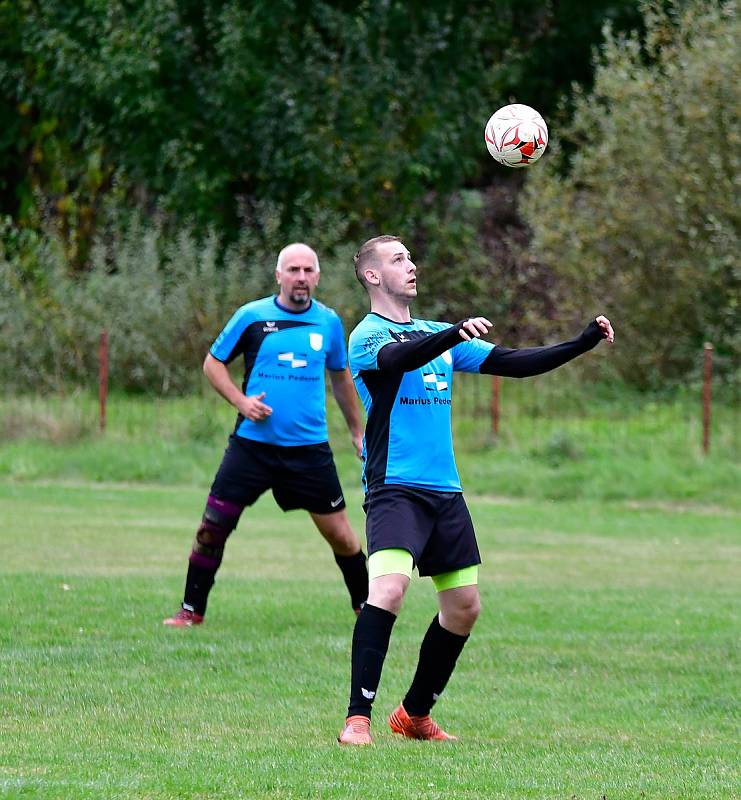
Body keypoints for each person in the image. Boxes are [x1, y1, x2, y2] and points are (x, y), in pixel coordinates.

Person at [337, 235, 614, 745]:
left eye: (411, 257)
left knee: (464, 608)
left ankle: (414, 715)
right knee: (389, 590)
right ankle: (358, 719)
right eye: (399, 260)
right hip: (394, 487)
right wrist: (449, 335)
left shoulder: (434, 333)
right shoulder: (368, 337)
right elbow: (400, 359)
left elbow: (513, 361)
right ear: (373, 276)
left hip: (446, 491)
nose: (412, 265)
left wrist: (581, 343)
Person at [163, 243, 368, 627]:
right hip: (251, 449)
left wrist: (358, 433)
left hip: (308, 452)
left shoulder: (329, 323)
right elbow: (213, 363)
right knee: (212, 527)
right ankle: (191, 612)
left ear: (318, 277)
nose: (301, 277)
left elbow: (340, 379)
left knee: (341, 536)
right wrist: (240, 402)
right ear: (279, 275)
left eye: (308, 270)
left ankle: (368, 608)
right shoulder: (252, 316)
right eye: (293, 270)